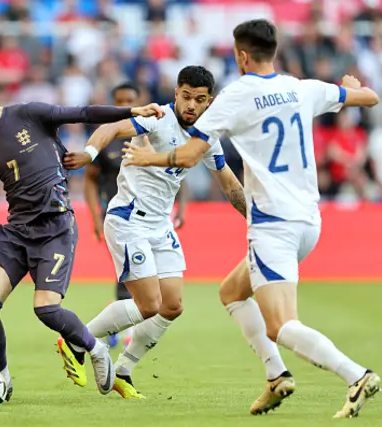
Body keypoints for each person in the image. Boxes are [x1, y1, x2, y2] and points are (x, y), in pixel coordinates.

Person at [122, 20, 381, 418]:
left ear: (241, 55)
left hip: (273, 226)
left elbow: (190, 155)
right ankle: (276, 376)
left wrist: (146, 157)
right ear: (272, 51)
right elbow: (370, 97)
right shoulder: (301, 87)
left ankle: (356, 374)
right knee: (231, 292)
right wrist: (352, 87)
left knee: (281, 325)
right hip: (309, 222)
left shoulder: (236, 96)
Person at [0, 67, 165, 399]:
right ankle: (2, 380)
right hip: (17, 231)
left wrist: (132, 111)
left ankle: (95, 349)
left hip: (55, 227)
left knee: (46, 309)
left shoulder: (30, 114)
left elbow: (84, 113)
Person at [62, 66, 247, 398]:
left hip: (160, 225)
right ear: (176, 93)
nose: (191, 105)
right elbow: (112, 128)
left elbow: (230, 184)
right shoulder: (158, 117)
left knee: (172, 305)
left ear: (209, 102)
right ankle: (78, 341)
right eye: (186, 96)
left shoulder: (208, 136)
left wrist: (257, 219)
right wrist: (90, 154)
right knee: (148, 304)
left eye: (199, 100)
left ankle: (124, 370)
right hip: (128, 218)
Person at [84, 82, 188, 348]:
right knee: (136, 289)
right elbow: (91, 180)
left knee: (160, 297)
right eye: (119, 101)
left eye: (129, 100)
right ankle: (102, 333)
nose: (125, 105)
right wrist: (96, 217)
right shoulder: (111, 139)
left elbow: (178, 169)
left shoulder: (152, 130)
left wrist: (182, 207)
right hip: (124, 215)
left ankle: (116, 335)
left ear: (139, 99)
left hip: (156, 220)